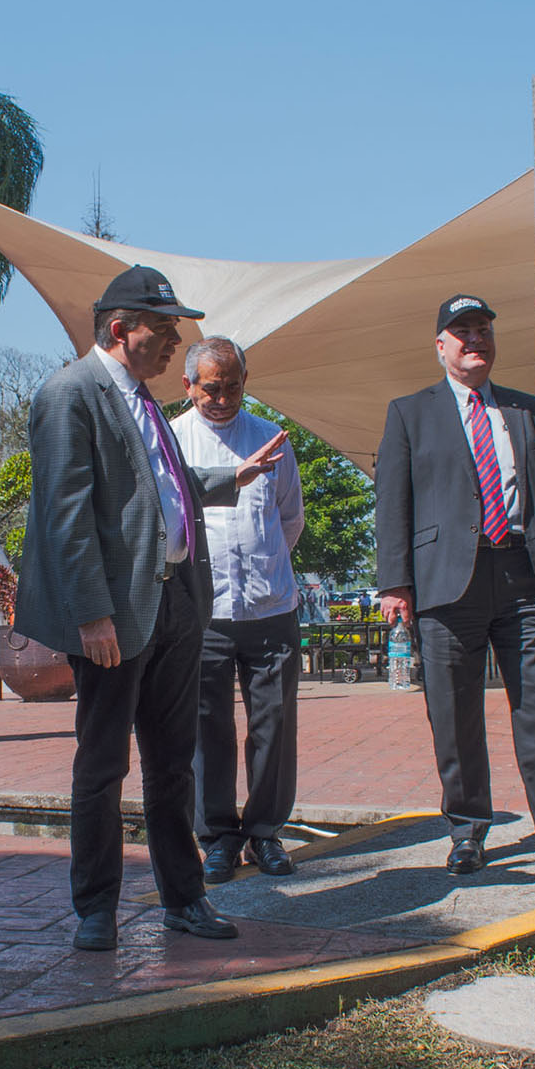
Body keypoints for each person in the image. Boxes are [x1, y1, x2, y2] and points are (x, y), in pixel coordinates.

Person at [15, 266, 283, 950]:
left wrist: (235, 476)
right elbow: (66, 514)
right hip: (113, 617)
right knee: (103, 765)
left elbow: (162, 486)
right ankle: (96, 908)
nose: (172, 344)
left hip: (175, 607)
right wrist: (91, 613)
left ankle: (183, 899)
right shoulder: (70, 394)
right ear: (119, 330)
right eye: (162, 330)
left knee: (173, 765)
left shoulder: (141, 400)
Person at [374, 294, 535, 878]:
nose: (475, 340)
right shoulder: (408, 412)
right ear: (440, 346)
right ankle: (468, 831)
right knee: (454, 712)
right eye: (462, 332)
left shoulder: (532, 412)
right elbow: (391, 504)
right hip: (446, 586)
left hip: (525, 578)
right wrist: (395, 583)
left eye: (483, 331)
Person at [168, 338, 302, 884]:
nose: (221, 398)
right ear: (188, 387)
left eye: (232, 387)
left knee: (274, 725)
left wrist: (266, 567)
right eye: (210, 388)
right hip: (204, 612)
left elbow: (288, 518)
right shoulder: (172, 441)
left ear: (246, 382)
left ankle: (265, 833)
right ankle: (218, 837)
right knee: (207, 729)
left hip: (271, 608)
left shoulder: (270, 438)